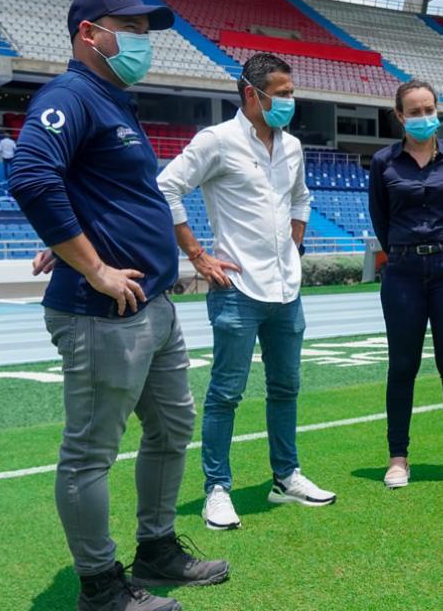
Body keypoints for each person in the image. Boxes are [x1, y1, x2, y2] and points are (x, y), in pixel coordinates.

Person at [8, 0, 228, 611]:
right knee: (90, 453)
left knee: (171, 427)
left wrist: (75, 235)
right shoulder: (71, 94)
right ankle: (101, 587)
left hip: (153, 303)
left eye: (144, 26)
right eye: (126, 25)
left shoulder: (113, 99)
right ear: (89, 34)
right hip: (105, 309)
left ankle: (156, 548)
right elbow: (30, 174)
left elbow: (94, 186)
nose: (141, 38)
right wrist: (92, 263)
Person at [157, 52, 336, 532]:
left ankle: (286, 477)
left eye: (291, 92)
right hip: (236, 288)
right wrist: (197, 255)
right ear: (250, 94)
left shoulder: (293, 147)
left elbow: (301, 197)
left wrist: (295, 245)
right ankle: (217, 489)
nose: (289, 101)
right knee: (226, 393)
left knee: (286, 387)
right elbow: (166, 188)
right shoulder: (217, 141)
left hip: (286, 289)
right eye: (281, 93)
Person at [368, 79, 443, 491]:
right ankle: (398, 459)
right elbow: (380, 219)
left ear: (438, 110)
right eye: (413, 112)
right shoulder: (383, 162)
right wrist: (405, 253)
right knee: (402, 367)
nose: (422, 117)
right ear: (399, 116)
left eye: (428, 109)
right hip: (401, 273)